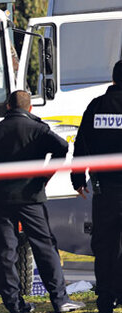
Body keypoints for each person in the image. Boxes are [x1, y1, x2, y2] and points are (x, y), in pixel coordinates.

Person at [0, 90, 85, 313]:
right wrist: (44, 175)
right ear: (30, 108)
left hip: (1, 201)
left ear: (8, 106)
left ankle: (15, 306)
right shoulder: (38, 129)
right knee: (45, 248)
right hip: (31, 198)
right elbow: (63, 147)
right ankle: (60, 300)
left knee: (6, 254)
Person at [70, 60, 122, 313]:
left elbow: (81, 145)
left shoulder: (97, 106)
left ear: (113, 80)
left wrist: (78, 179)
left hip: (105, 189)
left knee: (105, 244)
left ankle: (106, 298)